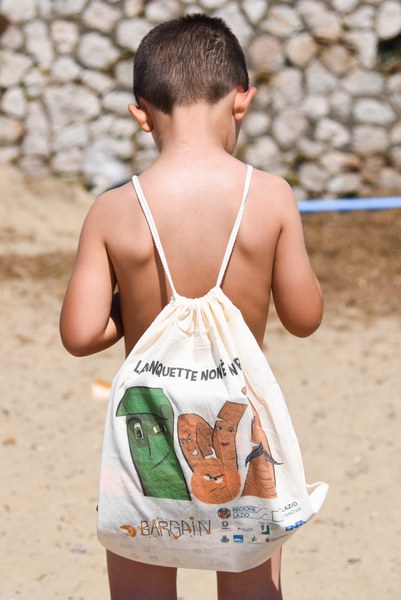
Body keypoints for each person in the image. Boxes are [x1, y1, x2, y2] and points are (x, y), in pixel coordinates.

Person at [60, 13, 323, 600]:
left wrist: (140, 306)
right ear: (242, 101)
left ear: (140, 112)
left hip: (150, 429)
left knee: (142, 580)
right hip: (239, 427)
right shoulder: (271, 196)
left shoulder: (113, 209)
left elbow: (80, 333)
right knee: (251, 585)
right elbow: (305, 318)